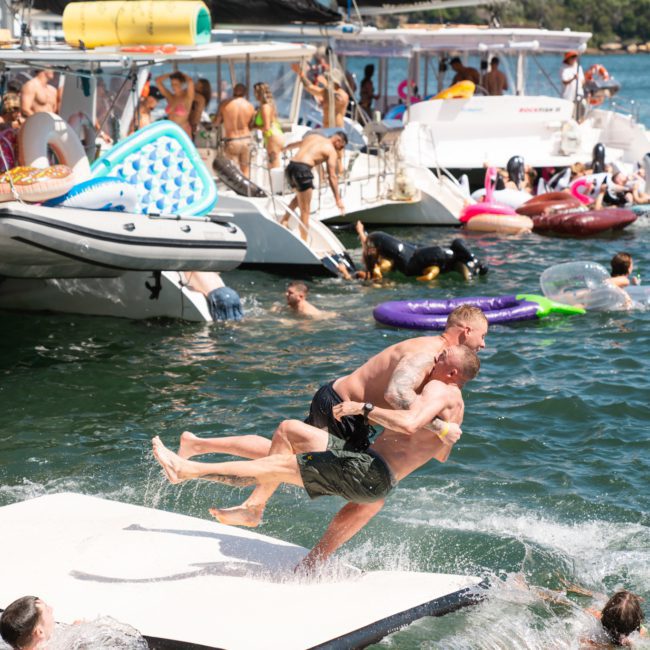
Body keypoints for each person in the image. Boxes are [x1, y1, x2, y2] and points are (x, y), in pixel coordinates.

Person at [152, 344, 479, 568]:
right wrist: (442, 431)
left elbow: (408, 424)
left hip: (367, 471)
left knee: (281, 464)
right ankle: (257, 510)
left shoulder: (440, 389)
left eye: (442, 358)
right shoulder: (455, 407)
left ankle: (188, 469)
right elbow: (441, 455)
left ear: (452, 372)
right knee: (290, 430)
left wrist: (361, 408)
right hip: (374, 475)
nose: (435, 359)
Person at [175, 304, 488, 472]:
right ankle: (232, 486)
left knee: (292, 456)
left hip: (341, 404)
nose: (483, 344)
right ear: (465, 330)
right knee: (304, 468)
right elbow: (396, 395)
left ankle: (199, 445)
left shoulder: (435, 352)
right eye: (481, 337)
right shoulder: (427, 353)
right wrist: (436, 427)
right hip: (343, 408)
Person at [280, 131, 347, 241]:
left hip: (291, 168)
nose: (339, 150)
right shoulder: (331, 150)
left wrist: (283, 149)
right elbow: (332, 177)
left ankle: (285, 220)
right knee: (305, 211)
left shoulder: (313, 137)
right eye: (341, 147)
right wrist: (338, 199)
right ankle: (304, 240)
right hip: (303, 170)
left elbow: (295, 144)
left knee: (299, 198)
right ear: (338, 141)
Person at [212, 83, 256, 177]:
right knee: (246, 170)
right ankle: (246, 191)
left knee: (232, 173)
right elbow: (251, 126)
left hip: (232, 140)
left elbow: (216, 122)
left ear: (233, 91)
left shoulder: (224, 104)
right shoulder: (250, 106)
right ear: (245, 93)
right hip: (246, 140)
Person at [292, 63, 349, 128]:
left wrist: (325, 84)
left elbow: (338, 99)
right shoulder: (326, 92)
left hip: (337, 129)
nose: (327, 81)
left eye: (329, 79)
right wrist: (301, 75)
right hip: (325, 127)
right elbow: (310, 87)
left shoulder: (342, 94)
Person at [179, 271, 243, 321]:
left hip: (220, 296)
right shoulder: (209, 268)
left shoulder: (188, 269)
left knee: (227, 324)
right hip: (231, 293)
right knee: (238, 321)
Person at [252, 82, 283, 169]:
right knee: (273, 164)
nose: (254, 95)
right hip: (275, 134)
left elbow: (266, 127)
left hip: (272, 136)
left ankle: (276, 183)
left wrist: (254, 127)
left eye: (255, 92)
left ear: (259, 93)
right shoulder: (268, 105)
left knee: (274, 165)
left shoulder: (265, 107)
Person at [155, 71, 195, 136]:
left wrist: (182, 74)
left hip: (183, 131)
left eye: (176, 84)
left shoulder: (188, 97)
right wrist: (170, 74)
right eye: (172, 84)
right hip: (171, 130)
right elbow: (158, 81)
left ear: (182, 84)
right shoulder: (170, 97)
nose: (173, 86)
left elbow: (190, 81)